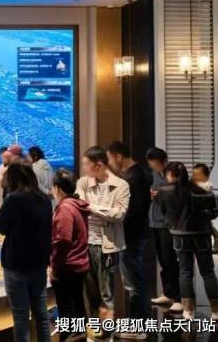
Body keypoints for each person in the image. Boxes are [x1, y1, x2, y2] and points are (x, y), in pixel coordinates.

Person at [0, 163, 52, 342]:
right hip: (39, 264)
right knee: (41, 315)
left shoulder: (13, 199)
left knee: (21, 319)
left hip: (16, 265)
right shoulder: (44, 199)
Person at [159, 162, 218, 320]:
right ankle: (216, 310)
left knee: (185, 272)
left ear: (170, 175)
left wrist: (171, 225)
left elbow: (163, 212)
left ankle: (188, 310)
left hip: (180, 236)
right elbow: (214, 212)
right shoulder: (201, 190)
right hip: (202, 235)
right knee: (208, 272)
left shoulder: (165, 190)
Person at [76, 146, 129, 333]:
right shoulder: (83, 182)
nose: (84, 168)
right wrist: (102, 210)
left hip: (108, 245)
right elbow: (80, 206)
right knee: (89, 291)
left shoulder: (121, 185)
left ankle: (107, 330)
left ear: (98, 165)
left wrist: (92, 208)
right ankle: (93, 328)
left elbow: (119, 214)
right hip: (85, 244)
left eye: (86, 164)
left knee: (107, 292)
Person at [106, 140, 152, 338]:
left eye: (110, 159)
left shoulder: (132, 179)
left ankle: (137, 326)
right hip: (135, 233)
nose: (110, 164)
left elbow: (129, 210)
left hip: (130, 234)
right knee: (135, 279)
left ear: (118, 156)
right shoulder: (139, 174)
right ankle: (137, 322)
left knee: (132, 282)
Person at [49, 169, 89, 342]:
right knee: (77, 307)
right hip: (79, 263)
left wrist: (54, 266)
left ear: (57, 188)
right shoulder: (77, 204)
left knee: (67, 312)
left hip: (68, 266)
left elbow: (62, 240)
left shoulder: (65, 208)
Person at [145, 147, 182, 312]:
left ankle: (179, 297)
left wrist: (160, 194)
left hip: (167, 223)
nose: (153, 166)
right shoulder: (154, 174)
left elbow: (178, 195)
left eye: (155, 163)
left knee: (170, 260)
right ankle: (168, 293)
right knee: (162, 259)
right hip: (154, 221)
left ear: (164, 161)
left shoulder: (173, 173)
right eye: (151, 163)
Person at [190, 164, 218, 254]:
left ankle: (217, 242)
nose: (195, 177)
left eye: (198, 174)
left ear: (206, 176)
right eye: (194, 174)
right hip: (189, 228)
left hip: (203, 229)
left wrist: (211, 212)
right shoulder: (186, 189)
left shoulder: (209, 189)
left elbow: (214, 211)